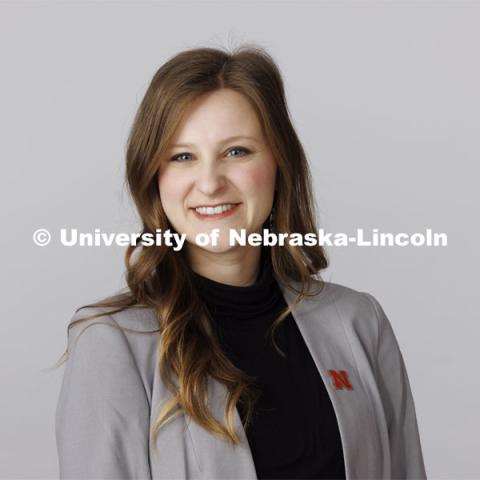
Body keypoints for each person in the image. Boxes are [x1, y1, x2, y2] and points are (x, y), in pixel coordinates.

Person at [54, 45, 427, 479]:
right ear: (156, 179)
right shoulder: (112, 343)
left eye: (237, 151)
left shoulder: (359, 322)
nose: (210, 183)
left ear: (279, 163)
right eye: (182, 157)